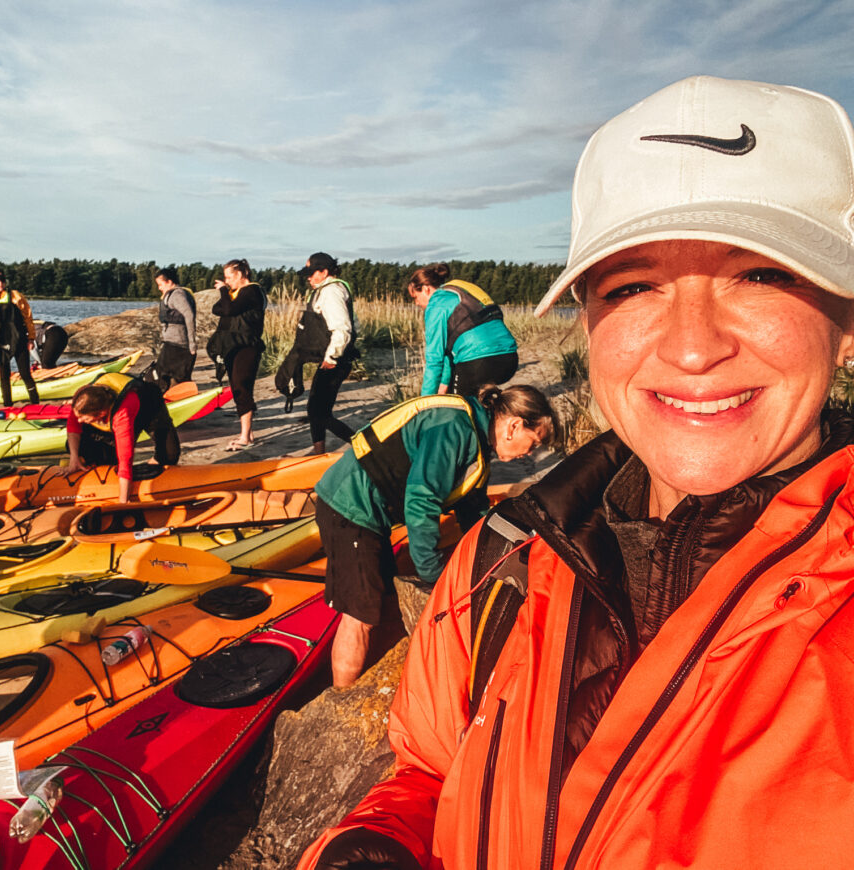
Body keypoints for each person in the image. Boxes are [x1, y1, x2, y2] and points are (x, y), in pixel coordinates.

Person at [299, 75, 854, 870]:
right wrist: (372, 845)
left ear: (846, 324)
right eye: (633, 287)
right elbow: (428, 771)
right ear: (591, 326)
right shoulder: (502, 564)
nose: (692, 346)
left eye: (762, 274)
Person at [316, 385, 555, 688]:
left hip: (371, 515)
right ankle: (340, 702)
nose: (530, 453)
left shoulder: (476, 438)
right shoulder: (454, 428)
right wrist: (432, 573)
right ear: (514, 426)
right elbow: (420, 500)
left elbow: (473, 511)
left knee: (385, 602)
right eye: (534, 443)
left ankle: (377, 679)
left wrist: (500, 552)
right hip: (348, 506)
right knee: (359, 615)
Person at [66, 372, 180, 503]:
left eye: (83, 418)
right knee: (94, 451)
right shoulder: (82, 399)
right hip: (111, 405)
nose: (78, 420)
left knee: (170, 455)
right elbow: (73, 426)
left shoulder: (122, 415)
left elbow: (125, 458)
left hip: (148, 403)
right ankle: (89, 465)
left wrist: (123, 502)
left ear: (101, 413)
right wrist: (74, 458)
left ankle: (152, 470)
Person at [407, 263, 518, 398]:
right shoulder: (459, 291)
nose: (416, 303)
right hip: (510, 359)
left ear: (426, 289)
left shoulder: (436, 304)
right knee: (478, 401)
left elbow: (434, 360)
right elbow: (449, 352)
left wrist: (424, 402)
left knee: (458, 408)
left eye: (415, 297)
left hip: (479, 362)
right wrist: (443, 384)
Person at [291, 252, 358, 454]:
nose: (309, 278)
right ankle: (318, 450)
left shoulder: (332, 292)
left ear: (324, 272)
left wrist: (332, 357)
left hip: (336, 360)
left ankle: (364, 446)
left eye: (312, 273)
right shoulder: (327, 290)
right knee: (316, 409)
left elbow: (343, 329)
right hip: (331, 358)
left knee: (319, 412)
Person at [206, 258, 266, 450]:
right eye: (225, 278)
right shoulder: (236, 293)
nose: (227, 281)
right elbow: (218, 309)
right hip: (232, 346)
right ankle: (248, 434)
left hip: (247, 345)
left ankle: (245, 437)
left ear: (240, 274)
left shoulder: (252, 291)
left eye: (229, 277)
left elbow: (229, 309)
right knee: (237, 387)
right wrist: (228, 294)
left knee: (242, 386)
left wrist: (224, 291)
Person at [0, 268, 39, 406]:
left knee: (25, 374)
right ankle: (8, 405)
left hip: (19, 338)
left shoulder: (16, 296)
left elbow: (28, 317)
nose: (0, 283)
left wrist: (31, 338)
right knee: (4, 376)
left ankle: (35, 403)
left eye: (2, 280)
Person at [151, 267, 198, 392]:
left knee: (161, 373)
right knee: (165, 374)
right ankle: (168, 396)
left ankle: (161, 400)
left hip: (178, 344)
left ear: (170, 282)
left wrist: (192, 344)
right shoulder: (171, 295)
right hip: (172, 342)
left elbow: (189, 315)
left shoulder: (177, 295)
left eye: (161, 284)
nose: (160, 288)